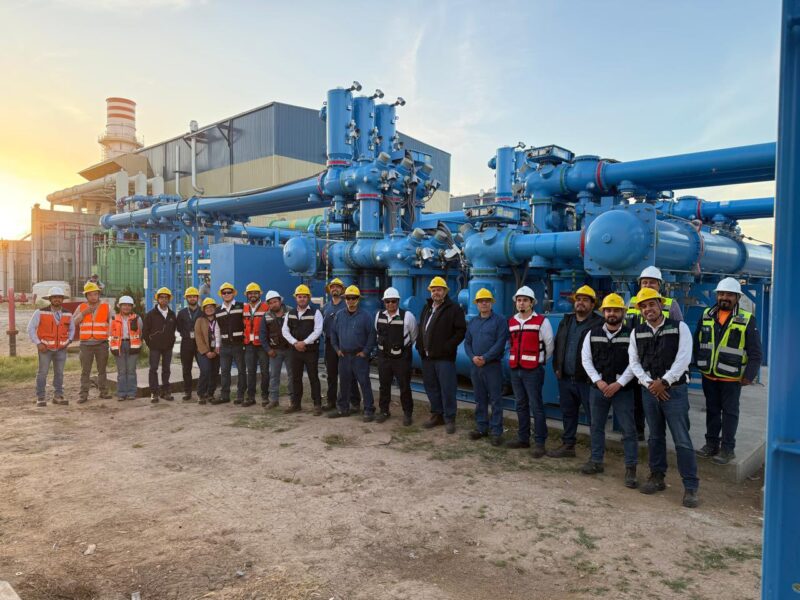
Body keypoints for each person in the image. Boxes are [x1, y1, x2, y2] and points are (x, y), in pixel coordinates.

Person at [628, 287, 699, 508]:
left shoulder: (679, 327)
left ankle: (690, 486)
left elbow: (684, 358)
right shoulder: (637, 332)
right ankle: (657, 477)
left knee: (681, 439)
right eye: (643, 306)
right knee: (655, 437)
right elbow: (634, 362)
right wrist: (649, 383)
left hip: (674, 391)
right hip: (650, 391)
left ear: (660, 305)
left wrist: (665, 382)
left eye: (651, 304)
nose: (648, 309)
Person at [694, 277, 763, 465]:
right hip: (709, 375)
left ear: (737, 298)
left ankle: (727, 449)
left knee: (730, 413)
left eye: (730, 294)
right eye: (722, 294)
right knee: (712, 411)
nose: (725, 297)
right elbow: (697, 342)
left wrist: (749, 375)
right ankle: (711, 445)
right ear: (717, 295)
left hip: (731, 378)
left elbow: (756, 352)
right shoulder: (706, 315)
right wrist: (696, 364)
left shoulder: (747, 319)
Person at [580, 293, 638, 488]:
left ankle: (631, 468)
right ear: (603, 312)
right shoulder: (592, 333)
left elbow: (635, 362)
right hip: (599, 389)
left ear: (623, 312)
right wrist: (598, 381)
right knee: (596, 426)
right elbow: (586, 359)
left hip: (623, 390)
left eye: (616, 310)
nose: (612, 313)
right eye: (608, 310)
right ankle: (596, 461)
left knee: (628, 430)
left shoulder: (631, 335)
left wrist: (619, 383)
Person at [626, 266, 683, 441]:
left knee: (663, 397)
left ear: (660, 285)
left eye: (652, 282)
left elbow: (679, 332)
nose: (648, 285)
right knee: (636, 398)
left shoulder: (670, 304)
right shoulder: (632, 302)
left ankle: (664, 433)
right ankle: (639, 430)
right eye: (644, 282)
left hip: (663, 360)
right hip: (639, 358)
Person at [550, 285, 603, 458]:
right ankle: (568, 445)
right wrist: (557, 367)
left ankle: (596, 454)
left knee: (594, 417)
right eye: (578, 299)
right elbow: (558, 344)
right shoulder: (566, 321)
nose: (580, 303)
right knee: (568, 414)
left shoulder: (599, 324)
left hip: (587, 381)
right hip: (565, 378)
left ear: (593, 304)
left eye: (585, 300)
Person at [506, 286, 554, 457]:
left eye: (525, 300)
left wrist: (538, 361)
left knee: (536, 406)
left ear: (532, 303)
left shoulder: (542, 322)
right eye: (519, 300)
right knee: (520, 404)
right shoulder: (512, 322)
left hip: (533, 371)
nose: (521, 303)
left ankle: (540, 442)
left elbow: (549, 346)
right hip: (515, 370)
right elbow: (511, 344)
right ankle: (523, 438)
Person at [416, 276, 467, 435]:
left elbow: (460, 331)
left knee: (447, 388)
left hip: (444, 358)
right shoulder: (427, 308)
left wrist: (448, 347)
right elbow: (422, 328)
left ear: (445, 291)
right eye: (433, 290)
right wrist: (419, 346)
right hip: (427, 357)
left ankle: (449, 418)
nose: (436, 293)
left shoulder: (454, 309)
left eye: (439, 290)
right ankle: (437, 415)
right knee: (431, 387)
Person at [464, 288, 509, 446]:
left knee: (495, 399)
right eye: (481, 301)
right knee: (480, 398)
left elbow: (501, 342)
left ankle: (496, 431)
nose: (484, 303)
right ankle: (481, 427)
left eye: (487, 300)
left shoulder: (500, 321)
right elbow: (467, 343)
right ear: (476, 304)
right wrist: (472, 357)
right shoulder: (473, 322)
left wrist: (486, 358)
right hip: (475, 366)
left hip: (492, 366)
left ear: (491, 303)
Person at [327, 285, 377, 421]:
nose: (350, 300)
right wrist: (337, 349)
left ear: (358, 299)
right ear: (345, 299)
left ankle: (369, 409)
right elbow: (333, 333)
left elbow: (372, 335)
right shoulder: (339, 315)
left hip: (359, 356)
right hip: (344, 355)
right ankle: (343, 408)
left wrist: (365, 352)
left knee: (364, 383)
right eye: (348, 298)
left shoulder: (366, 316)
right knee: (344, 383)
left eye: (353, 298)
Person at [374, 287, 418, 425]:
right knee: (384, 385)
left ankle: (407, 413)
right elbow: (377, 332)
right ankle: (384, 411)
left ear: (398, 301)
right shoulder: (379, 315)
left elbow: (414, 336)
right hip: (384, 357)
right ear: (384, 302)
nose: (390, 304)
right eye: (387, 301)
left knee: (404, 386)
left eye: (393, 301)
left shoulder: (407, 316)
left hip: (401, 359)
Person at [27, 286, 73, 407]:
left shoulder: (68, 314)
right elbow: (30, 328)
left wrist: (69, 341)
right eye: (54, 297)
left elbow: (72, 329)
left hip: (61, 349)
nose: (57, 299)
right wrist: (38, 343)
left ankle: (58, 396)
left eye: (59, 297)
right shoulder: (40, 312)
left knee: (59, 373)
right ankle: (41, 397)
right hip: (45, 349)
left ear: (62, 299)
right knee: (42, 373)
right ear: (50, 299)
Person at [282, 284, 323, 414]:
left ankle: (317, 405)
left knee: (313, 377)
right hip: (295, 351)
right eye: (299, 297)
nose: (302, 299)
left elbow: (318, 330)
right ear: (296, 298)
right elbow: (285, 331)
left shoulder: (316, 313)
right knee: (296, 378)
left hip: (310, 351)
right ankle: (296, 404)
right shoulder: (290, 314)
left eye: (305, 297)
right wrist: (295, 343)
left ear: (308, 298)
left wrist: (304, 342)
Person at [322, 277, 361, 413]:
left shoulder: (347, 305)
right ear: (329, 290)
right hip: (330, 344)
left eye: (337, 287)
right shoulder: (325, 307)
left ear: (342, 290)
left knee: (350, 374)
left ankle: (354, 402)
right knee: (331, 374)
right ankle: (331, 401)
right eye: (332, 287)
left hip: (345, 343)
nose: (335, 289)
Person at [73, 281, 112, 403]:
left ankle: (103, 392)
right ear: (86, 296)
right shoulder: (81, 307)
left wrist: (111, 338)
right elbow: (72, 323)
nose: (93, 297)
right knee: (85, 371)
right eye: (90, 294)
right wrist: (83, 313)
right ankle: (83, 395)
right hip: (85, 345)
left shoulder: (106, 307)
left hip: (102, 344)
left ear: (98, 294)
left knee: (102, 370)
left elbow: (113, 324)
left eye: (95, 294)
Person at [142, 287, 177, 403]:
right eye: (161, 297)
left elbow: (173, 330)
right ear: (157, 299)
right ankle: (154, 392)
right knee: (153, 369)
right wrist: (151, 344)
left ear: (169, 299)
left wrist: (171, 342)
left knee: (166, 369)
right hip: (155, 348)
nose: (164, 299)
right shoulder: (151, 314)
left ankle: (166, 392)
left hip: (168, 347)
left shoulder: (172, 314)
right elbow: (145, 331)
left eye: (166, 297)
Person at [260, 290, 294, 409]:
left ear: (280, 301)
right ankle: (274, 400)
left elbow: (296, 329)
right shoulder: (266, 316)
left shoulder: (290, 311)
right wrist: (268, 349)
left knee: (292, 375)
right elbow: (262, 335)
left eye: (275, 301)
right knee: (274, 376)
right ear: (268, 305)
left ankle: (293, 400)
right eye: (270, 303)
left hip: (290, 350)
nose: (273, 304)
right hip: (275, 351)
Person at [215, 282, 247, 405]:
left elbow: (247, 324)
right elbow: (217, 329)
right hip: (225, 346)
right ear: (221, 295)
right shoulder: (218, 310)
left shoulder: (242, 306)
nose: (227, 294)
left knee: (241, 371)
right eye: (224, 293)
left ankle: (240, 395)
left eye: (229, 292)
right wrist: (218, 345)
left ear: (233, 293)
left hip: (239, 345)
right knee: (224, 372)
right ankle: (225, 396)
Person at [109, 295, 142, 402]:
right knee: (122, 371)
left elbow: (140, 333)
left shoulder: (137, 318)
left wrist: (137, 344)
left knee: (131, 370)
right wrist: (112, 347)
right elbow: (110, 334)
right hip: (119, 346)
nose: (126, 307)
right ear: (119, 306)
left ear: (132, 307)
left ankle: (131, 393)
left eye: (129, 305)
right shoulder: (114, 319)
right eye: (124, 305)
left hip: (133, 345)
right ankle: (121, 393)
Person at [243, 282, 269, 407]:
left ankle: (265, 396)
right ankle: (250, 397)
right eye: (250, 293)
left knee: (265, 372)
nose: (253, 295)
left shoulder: (266, 307)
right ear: (247, 295)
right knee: (251, 371)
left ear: (260, 294)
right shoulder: (244, 308)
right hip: (249, 344)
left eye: (255, 293)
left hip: (263, 345)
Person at [177, 287, 201, 402]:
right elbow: (179, 327)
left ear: (197, 298)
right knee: (186, 369)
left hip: (200, 343)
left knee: (204, 367)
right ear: (186, 298)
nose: (192, 298)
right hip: (186, 343)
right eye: (190, 297)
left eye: (194, 296)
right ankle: (188, 392)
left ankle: (202, 391)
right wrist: (186, 334)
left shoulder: (202, 311)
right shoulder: (182, 313)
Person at [195, 297, 221, 405]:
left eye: (211, 307)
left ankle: (210, 393)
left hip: (216, 351)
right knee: (205, 371)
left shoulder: (219, 319)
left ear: (215, 308)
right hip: (203, 351)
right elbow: (198, 337)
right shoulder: (199, 321)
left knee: (214, 372)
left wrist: (215, 351)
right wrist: (207, 352)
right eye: (207, 307)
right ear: (204, 309)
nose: (209, 309)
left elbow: (221, 335)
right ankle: (201, 394)